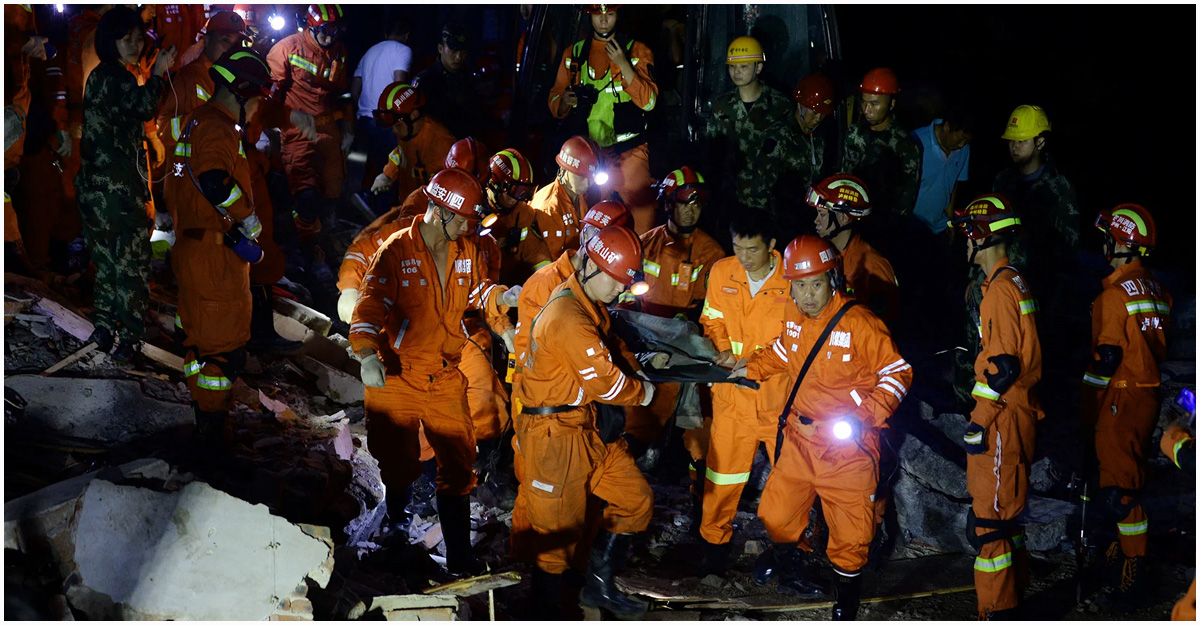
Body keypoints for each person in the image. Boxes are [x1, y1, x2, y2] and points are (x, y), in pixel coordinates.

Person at [733, 234, 911, 620]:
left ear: (833, 279)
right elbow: (784, 351)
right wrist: (747, 367)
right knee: (777, 513)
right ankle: (787, 560)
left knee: (852, 534)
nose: (808, 295)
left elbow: (897, 372)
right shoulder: (795, 315)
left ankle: (846, 599)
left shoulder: (861, 322)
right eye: (800, 285)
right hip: (800, 439)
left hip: (848, 449)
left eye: (816, 284)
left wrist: (866, 415)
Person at [349, 168, 516, 577]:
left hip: (444, 373)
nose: (467, 227)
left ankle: (459, 557)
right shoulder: (395, 251)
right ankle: (397, 532)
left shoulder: (465, 249)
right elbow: (369, 306)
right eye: (462, 219)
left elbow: (476, 291)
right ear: (439, 211)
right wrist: (367, 354)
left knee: (459, 460)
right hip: (399, 372)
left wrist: (502, 296)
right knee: (398, 459)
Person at [515, 224, 655, 619]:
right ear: (591, 266)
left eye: (625, 282)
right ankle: (547, 612)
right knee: (556, 540)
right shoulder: (568, 316)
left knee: (636, 500)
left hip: (587, 427)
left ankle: (597, 586)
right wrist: (643, 392)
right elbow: (608, 385)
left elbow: (609, 352)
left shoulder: (587, 305)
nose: (620, 290)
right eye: (615, 280)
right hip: (554, 438)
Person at [164, 48, 272, 441]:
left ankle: (202, 418)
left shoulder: (195, 121)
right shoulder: (218, 127)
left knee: (196, 339)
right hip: (214, 255)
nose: (257, 109)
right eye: (256, 100)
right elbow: (214, 180)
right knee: (223, 349)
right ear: (241, 94)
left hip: (192, 247)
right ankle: (213, 437)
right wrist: (247, 216)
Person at [947, 194, 1043, 619]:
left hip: (1003, 416)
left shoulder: (1000, 291)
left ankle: (998, 611)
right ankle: (1014, 596)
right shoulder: (1011, 281)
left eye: (968, 231)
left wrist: (979, 421)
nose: (964, 240)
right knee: (1003, 519)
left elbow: (1003, 368)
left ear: (980, 236)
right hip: (1015, 413)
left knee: (988, 523)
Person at [1081, 204, 1171, 611]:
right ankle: (1121, 557)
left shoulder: (1114, 295)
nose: (1104, 244)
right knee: (1126, 480)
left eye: (1108, 238)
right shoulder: (1157, 290)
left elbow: (1106, 360)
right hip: (1146, 396)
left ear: (1120, 243)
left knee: (1120, 491)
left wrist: (1088, 407)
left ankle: (1134, 574)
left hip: (1120, 396)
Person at [75, 6, 177, 361]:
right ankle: (129, 339)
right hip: (118, 191)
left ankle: (104, 327)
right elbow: (144, 106)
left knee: (106, 261)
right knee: (131, 264)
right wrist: (159, 73)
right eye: (127, 39)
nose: (136, 45)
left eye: (139, 38)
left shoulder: (99, 76)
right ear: (110, 40)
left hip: (95, 189)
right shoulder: (118, 78)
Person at [694, 209, 790, 576]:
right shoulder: (722, 271)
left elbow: (798, 338)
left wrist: (755, 362)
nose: (744, 258)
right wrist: (722, 349)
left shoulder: (793, 278)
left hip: (777, 399)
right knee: (722, 477)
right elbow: (711, 317)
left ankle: (789, 553)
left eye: (752, 250)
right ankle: (713, 552)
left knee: (789, 481)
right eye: (737, 248)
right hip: (732, 396)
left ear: (772, 245)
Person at [548, 4, 658, 233]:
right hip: (589, 158)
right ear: (590, 15)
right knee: (589, 223)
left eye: (610, 14)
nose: (604, 20)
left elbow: (649, 102)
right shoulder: (574, 54)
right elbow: (555, 102)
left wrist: (623, 63)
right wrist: (565, 101)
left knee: (642, 225)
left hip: (630, 155)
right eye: (598, 14)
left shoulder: (637, 51)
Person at [266, 4, 351, 247]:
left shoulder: (339, 51)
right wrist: (275, 126)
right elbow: (269, 98)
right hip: (297, 131)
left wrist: (349, 129)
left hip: (329, 132)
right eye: (325, 32)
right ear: (310, 27)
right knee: (306, 194)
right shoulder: (287, 48)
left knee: (332, 192)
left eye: (335, 32)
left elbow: (343, 94)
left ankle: (325, 244)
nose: (329, 38)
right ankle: (308, 250)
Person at [705, 36, 793, 219]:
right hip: (729, 203)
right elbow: (712, 154)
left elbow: (792, 157)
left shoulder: (780, 105)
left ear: (758, 67)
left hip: (769, 204)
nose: (736, 72)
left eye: (743, 66)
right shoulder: (722, 106)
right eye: (732, 66)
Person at [155, 10, 249, 179]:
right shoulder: (190, 78)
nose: (231, 50)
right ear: (206, 41)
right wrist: (204, 119)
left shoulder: (233, 80)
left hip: (219, 169)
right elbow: (165, 131)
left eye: (237, 44)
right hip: (193, 176)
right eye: (225, 40)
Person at [808, 173, 900, 324]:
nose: (816, 221)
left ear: (844, 218)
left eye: (822, 215)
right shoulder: (823, 254)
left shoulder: (873, 266)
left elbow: (884, 325)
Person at [841, 68, 921, 225]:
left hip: (884, 223)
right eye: (863, 102)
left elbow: (906, 196)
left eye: (874, 104)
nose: (866, 110)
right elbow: (845, 175)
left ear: (891, 104)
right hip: (852, 216)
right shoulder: (854, 133)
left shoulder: (904, 145)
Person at [369, 82, 456, 207]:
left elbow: (442, 193)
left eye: (397, 125)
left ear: (414, 115)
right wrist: (387, 175)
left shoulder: (441, 144)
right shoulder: (407, 130)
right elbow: (401, 153)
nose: (394, 131)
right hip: (406, 202)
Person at [352, 15, 412, 187]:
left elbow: (355, 87)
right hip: (386, 122)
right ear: (407, 35)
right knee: (388, 176)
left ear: (386, 34)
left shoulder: (370, 52)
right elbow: (399, 86)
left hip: (364, 120)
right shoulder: (403, 50)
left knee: (366, 173)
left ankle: (362, 201)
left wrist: (359, 111)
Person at [775, 73, 835, 241]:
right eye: (814, 112)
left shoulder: (819, 137)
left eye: (823, 114)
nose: (818, 119)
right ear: (800, 105)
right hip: (782, 221)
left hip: (809, 220)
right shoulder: (780, 135)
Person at [529, 134, 607, 258]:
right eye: (582, 177)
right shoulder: (549, 208)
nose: (588, 183)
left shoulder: (578, 194)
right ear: (564, 169)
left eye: (592, 177)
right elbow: (551, 263)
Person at [485, 147, 552, 286]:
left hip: (508, 287)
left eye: (524, 191)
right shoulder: (473, 210)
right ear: (495, 184)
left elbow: (535, 252)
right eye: (516, 190)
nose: (518, 198)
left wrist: (547, 278)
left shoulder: (521, 214)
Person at [911, 106, 973, 236]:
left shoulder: (964, 150)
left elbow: (953, 184)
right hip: (912, 225)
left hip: (939, 227)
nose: (962, 145)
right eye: (961, 138)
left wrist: (950, 221)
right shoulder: (916, 141)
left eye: (967, 141)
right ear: (947, 127)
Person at [413, 21, 476, 139]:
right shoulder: (426, 80)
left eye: (463, 52)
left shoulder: (468, 77)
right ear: (440, 48)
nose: (458, 57)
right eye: (453, 51)